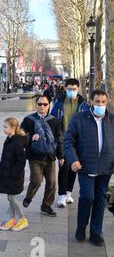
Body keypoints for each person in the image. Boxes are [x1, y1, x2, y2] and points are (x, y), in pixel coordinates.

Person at [64, 89, 114, 246]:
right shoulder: (79, 119)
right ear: (91, 102)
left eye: (103, 102)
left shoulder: (112, 120)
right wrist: (73, 159)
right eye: (97, 101)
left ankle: (95, 233)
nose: (100, 105)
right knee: (87, 197)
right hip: (86, 166)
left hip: (106, 167)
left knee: (100, 199)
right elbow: (68, 141)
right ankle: (81, 228)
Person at [21, 95, 64, 216]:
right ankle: (29, 197)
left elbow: (59, 139)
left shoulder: (54, 121)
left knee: (51, 183)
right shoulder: (28, 120)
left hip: (50, 157)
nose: (42, 106)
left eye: (45, 104)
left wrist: (61, 156)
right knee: (37, 180)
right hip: (34, 157)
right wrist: (30, 138)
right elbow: (20, 136)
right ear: (36, 105)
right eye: (40, 104)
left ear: (49, 105)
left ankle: (46, 206)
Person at [51, 78, 89, 208]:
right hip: (63, 139)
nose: (71, 91)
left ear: (78, 89)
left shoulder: (83, 104)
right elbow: (53, 118)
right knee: (64, 166)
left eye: (74, 89)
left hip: (78, 140)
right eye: (69, 89)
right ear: (65, 89)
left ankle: (68, 193)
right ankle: (61, 195)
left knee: (74, 166)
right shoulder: (59, 102)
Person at [0, 117, 29, 231]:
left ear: (13, 128)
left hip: (14, 176)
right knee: (10, 197)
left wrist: (14, 174)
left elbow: (21, 161)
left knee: (11, 197)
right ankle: (12, 218)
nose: (3, 129)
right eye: (3, 127)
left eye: (6, 127)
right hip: (8, 174)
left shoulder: (17, 142)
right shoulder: (9, 139)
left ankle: (22, 218)